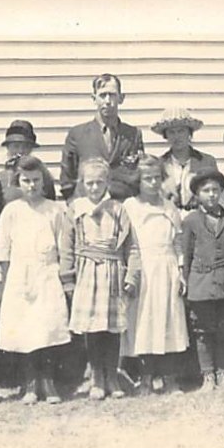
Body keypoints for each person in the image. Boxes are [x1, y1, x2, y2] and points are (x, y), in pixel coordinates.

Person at [60, 159, 140, 401]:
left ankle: (112, 376)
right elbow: (66, 246)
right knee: (93, 329)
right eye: (89, 183)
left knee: (112, 329)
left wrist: (131, 275)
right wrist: (68, 279)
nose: (94, 188)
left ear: (107, 183)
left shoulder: (118, 209)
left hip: (112, 271)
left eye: (99, 183)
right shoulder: (76, 209)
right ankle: (96, 377)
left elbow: (132, 246)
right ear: (82, 184)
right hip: (86, 272)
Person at [0, 156, 71, 404]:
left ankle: (48, 383)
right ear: (18, 182)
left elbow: (63, 247)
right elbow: (4, 251)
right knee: (26, 330)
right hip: (20, 275)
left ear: (44, 180)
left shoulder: (56, 210)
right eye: (26, 181)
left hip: (48, 273)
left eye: (36, 180)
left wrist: (63, 277)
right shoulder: (11, 211)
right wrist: (5, 284)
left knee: (47, 328)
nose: (31, 186)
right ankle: (30, 384)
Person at [122, 155, 191, 396]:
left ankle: (171, 379)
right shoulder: (130, 206)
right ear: (138, 181)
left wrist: (181, 272)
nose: (152, 183)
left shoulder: (169, 207)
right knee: (144, 323)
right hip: (143, 268)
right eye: (146, 179)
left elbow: (178, 241)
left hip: (167, 266)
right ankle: (147, 378)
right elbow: (126, 243)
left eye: (156, 178)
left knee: (169, 319)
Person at [182, 168, 224, 392]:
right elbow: (187, 254)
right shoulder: (191, 221)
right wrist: (187, 283)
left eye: (215, 190)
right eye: (206, 190)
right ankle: (208, 376)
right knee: (203, 330)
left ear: (222, 192)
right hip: (200, 283)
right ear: (197, 194)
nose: (211, 195)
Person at [60, 74, 145, 201]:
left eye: (112, 95)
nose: (107, 101)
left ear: (121, 98)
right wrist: (76, 205)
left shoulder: (132, 134)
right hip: (88, 208)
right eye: (102, 95)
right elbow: (67, 180)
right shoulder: (77, 134)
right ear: (94, 99)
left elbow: (139, 175)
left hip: (123, 207)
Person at [151, 107, 218, 214]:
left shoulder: (206, 162)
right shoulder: (160, 164)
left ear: (189, 133)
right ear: (166, 136)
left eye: (181, 131)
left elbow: (216, 197)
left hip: (201, 219)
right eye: (171, 132)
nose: (177, 136)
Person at [0, 120, 56, 221]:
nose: (20, 151)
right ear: (8, 148)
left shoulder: (43, 176)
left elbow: (51, 209)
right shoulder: (0, 180)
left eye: (25, 146)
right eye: (16, 146)